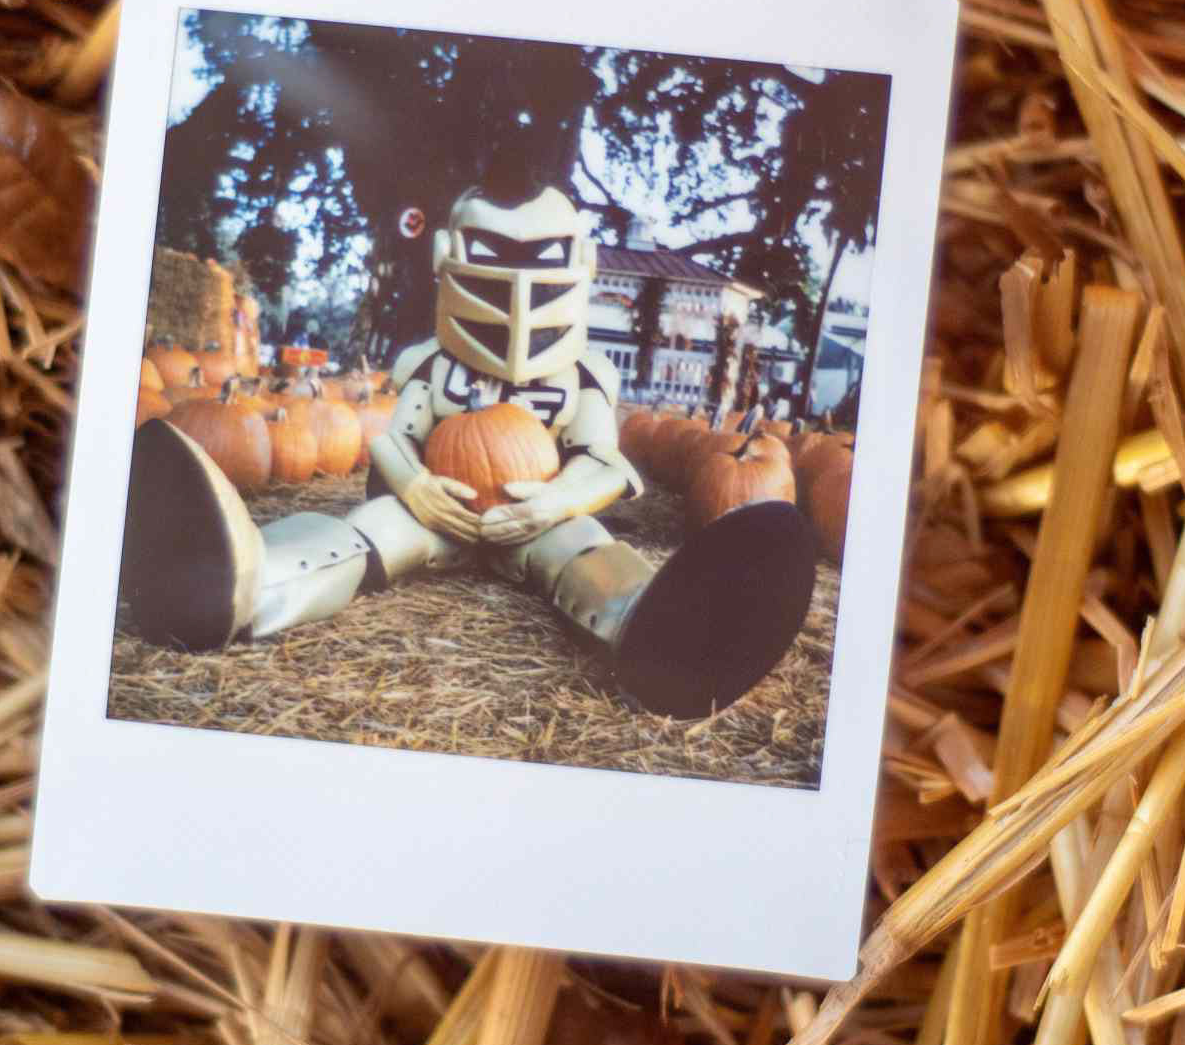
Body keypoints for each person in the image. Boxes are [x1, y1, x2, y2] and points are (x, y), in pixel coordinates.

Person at [120, 183, 818, 719]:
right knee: (366, 535)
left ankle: (654, 628)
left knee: (585, 548)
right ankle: (247, 583)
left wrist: (554, 500)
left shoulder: (581, 377)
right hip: (433, 514)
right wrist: (416, 487)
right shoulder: (430, 365)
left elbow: (605, 461)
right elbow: (394, 439)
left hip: (538, 518)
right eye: (494, 267)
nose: (515, 297)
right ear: (450, 263)